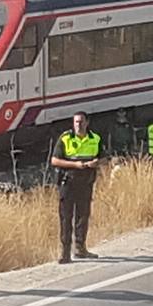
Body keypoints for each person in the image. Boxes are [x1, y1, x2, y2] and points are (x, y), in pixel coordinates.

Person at [49, 111, 103, 265]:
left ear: (87, 123)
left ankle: (81, 248)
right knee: (66, 218)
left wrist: (96, 163)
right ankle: (65, 253)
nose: (78, 125)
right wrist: (76, 165)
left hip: (86, 182)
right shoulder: (65, 138)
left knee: (83, 216)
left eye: (80, 122)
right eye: (76, 122)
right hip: (68, 182)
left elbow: (103, 157)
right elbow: (55, 160)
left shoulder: (95, 139)